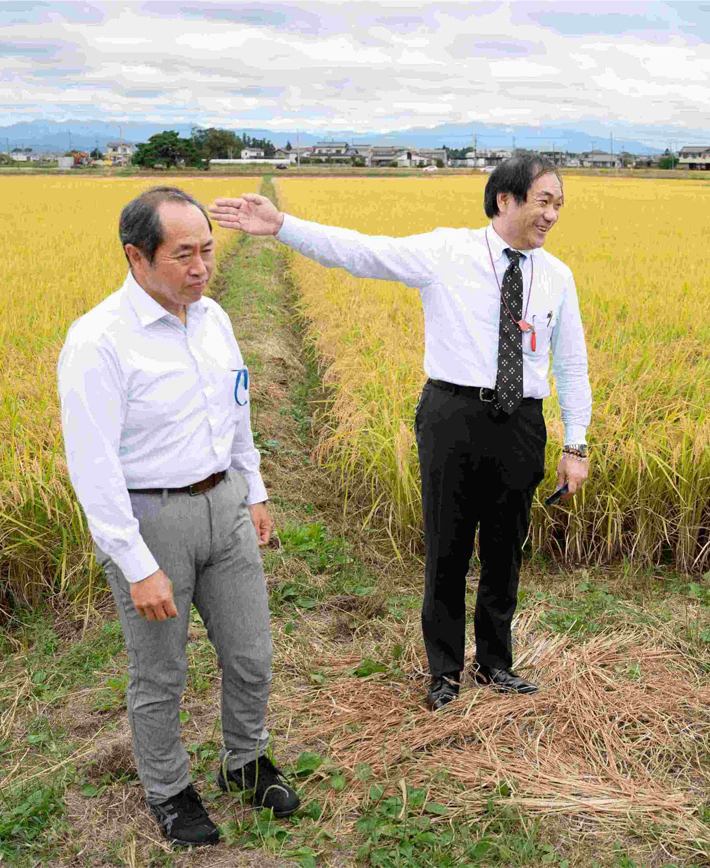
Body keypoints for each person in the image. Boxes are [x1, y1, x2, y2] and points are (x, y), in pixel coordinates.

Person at [210, 155, 593, 711]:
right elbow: (363, 253)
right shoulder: (447, 251)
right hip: (452, 416)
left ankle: (496, 664)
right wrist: (284, 227)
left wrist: (575, 443)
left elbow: (572, 364)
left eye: (559, 204)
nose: (553, 214)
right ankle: (444, 670)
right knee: (448, 546)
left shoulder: (556, 277)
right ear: (505, 200)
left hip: (521, 424)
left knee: (506, 549)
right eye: (544, 201)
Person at [58, 186, 299, 848]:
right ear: (137, 257)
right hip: (151, 520)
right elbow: (95, 470)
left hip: (223, 505)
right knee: (160, 673)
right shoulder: (99, 342)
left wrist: (253, 491)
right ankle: (168, 791)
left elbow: (237, 410)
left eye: (209, 251)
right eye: (183, 254)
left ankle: (246, 759)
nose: (201, 267)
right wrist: (137, 565)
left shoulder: (214, 319)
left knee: (251, 652)